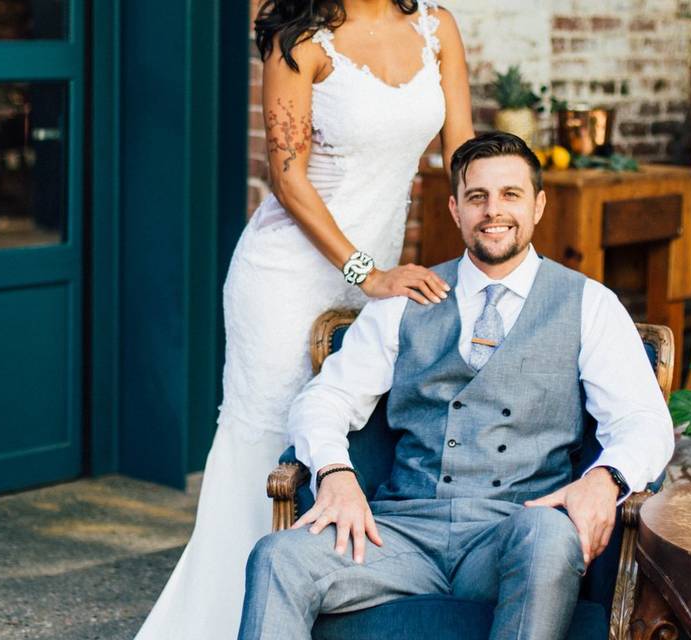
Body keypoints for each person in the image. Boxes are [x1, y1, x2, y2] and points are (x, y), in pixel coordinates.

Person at [238, 132, 675, 640]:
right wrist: (335, 472)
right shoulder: (404, 299)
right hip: (398, 535)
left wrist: (605, 481)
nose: (494, 211)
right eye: (477, 197)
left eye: (510, 195)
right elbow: (326, 397)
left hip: (515, 532)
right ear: (454, 209)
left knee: (550, 536)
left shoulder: (588, 304)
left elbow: (645, 422)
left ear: (538, 204)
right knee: (278, 556)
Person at [135, 1, 474, 638]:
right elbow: (287, 180)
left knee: (339, 437)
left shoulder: (438, 27)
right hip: (287, 277)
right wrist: (368, 276)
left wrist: (480, 255)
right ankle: (225, 622)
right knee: (269, 452)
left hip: (375, 274)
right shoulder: (300, 38)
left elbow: (462, 156)